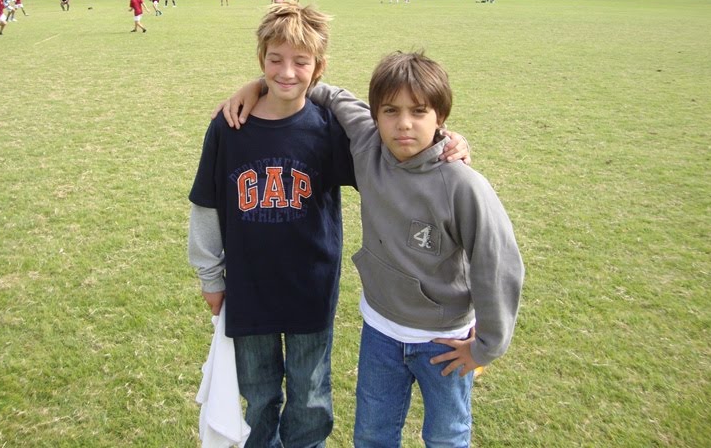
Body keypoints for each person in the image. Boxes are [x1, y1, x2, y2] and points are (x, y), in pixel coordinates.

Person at [221, 52, 522, 448]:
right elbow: (326, 92)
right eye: (390, 111)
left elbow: (497, 266)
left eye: (419, 111)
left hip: (445, 341)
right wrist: (259, 85)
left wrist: (485, 348)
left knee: (446, 435)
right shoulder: (367, 144)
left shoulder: (463, 186)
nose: (404, 124)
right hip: (380, 333)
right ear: (375, 115)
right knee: (372, 435)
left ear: (441, 117)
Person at [188, 1, 357, 448]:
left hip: (311, 286)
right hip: (249, 288)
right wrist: (210, 277)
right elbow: (206, 205)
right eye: (275, 60)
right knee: (259, 395)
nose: (286, 72)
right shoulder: (230, 126)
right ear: (260, 59)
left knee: (310, 396)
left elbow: (391, 163)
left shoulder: (329, 128)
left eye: (301, 62)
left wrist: (446, 141)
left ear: (318, 67)